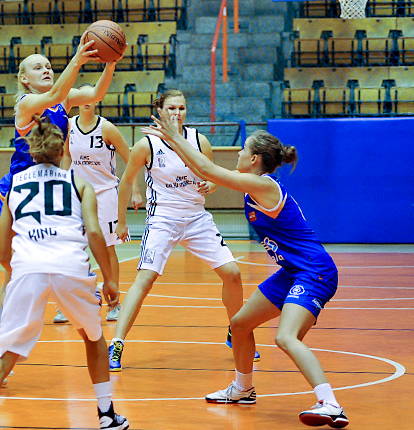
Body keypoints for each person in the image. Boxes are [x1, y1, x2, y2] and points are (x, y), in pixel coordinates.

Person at [142, 113, 348, 428]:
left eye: (243, 149)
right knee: (239, 325)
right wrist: (173, 139)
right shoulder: (254, 186)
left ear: (254, 159)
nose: (238, 153)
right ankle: (242, 389)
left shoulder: (262, 184)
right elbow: (204, 170)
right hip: (292, 271)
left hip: (314, 270)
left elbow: (207, 169)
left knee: (286, 337)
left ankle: (330, 404)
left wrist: (173, 137)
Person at [0, 116, 128, 430]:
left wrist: (16, 270)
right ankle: (106, 414)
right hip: (70, 265)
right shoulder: (79, 183)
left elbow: (4, 248)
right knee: (93, 338)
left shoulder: (14, 185)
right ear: (62, 150)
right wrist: (109, 279)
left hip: (28, 267)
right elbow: (94, 233)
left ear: (32, 150)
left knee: (3, 354)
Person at [0, 34, 122, 370]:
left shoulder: (62, 99)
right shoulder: (27, 104)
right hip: (16, 196)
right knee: (14, 274)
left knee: (24, 274)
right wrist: (79, 59)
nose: (46, 69)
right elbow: (55, 95)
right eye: (38, 67)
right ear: (24, 79)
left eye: (49, 66)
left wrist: (110, 63)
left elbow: (95, 95)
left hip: (46, 195)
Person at [109, 89, 249, 372]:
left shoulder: (199, 140)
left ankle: (237, 331)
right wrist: (120, 221)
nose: (177, 113)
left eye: (181, 108)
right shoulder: (147, 145)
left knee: (233, 274)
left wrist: (210, 186)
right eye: (171, 108)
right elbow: (126, 181)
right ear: (160, 110)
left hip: (196, 218)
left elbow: (214, 178)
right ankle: (117, 343)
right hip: (163, 218)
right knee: (145, 279)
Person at [53, 84, 140, 324]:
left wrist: (135, 190)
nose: (87, 101)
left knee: (107, 247)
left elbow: (130, 158)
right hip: (78, 193)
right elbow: (67, 155)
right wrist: (62, 183)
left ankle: (114, 304)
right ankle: (70, 304)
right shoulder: (69, 125)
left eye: (91, 97)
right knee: (73, 248)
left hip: (105, 193)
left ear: (97, 99)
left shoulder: (107, 128)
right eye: (82, 97)